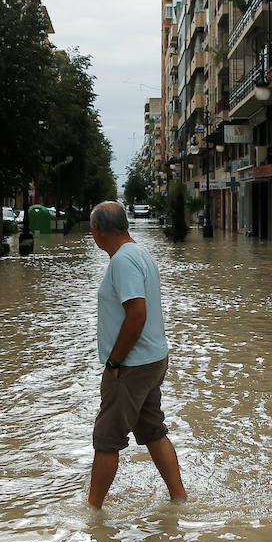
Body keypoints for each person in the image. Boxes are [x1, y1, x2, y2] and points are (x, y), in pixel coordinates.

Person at [87, 201, 186, 508]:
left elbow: (136, 315)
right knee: (152, 430)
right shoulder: (139, 253)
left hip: (132, 365)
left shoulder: (123, 261)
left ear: (97, 230)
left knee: (106, 439)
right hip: (152, 360)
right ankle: (179, 499)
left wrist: (115, 360)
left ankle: (92, 512)